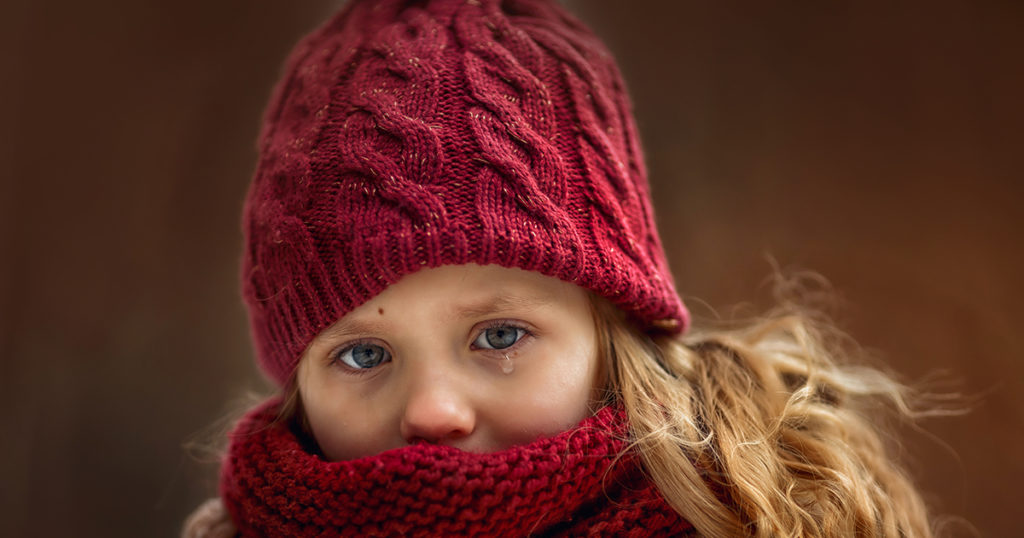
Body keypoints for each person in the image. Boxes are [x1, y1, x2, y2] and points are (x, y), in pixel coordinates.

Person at [184, 0, 937, 535]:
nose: (434, 412)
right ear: (301, 391)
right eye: (362, 353)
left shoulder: (785, 522)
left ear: (612, 333)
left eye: (501, 336)